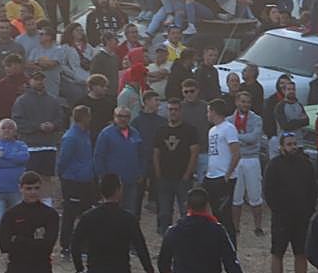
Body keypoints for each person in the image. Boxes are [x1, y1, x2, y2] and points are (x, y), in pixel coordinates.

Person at [264, 133, 317, 273]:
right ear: (281, 146)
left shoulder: (306, 164)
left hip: (302, 216)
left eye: (294, 144)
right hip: (281, 216)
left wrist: (309, 210)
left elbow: (313, 189)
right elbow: (268, 190)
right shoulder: (274, 165)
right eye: (288, 144)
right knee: (277, 252)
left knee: (301, 252)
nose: (292, 147)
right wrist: (277, 209)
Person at [0, 118, 29, 266]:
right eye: (4, 128)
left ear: (15, 131)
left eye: (10, 128)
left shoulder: (21, 145)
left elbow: (24, 158)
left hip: (16, 190)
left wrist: (4, 156)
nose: (7, 130)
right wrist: (12, 162)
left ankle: (14, 253)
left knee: (16, 223)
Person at [152, 98, 199, 235]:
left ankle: (187, 236)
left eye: (175, 109)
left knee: (186, 211)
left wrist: (187, 174)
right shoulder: (160, 130)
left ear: (181, 111)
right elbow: (156, 153)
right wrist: (158, 174)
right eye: (170, 109)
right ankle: (166, 237)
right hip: (164, 177)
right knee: (164, 212)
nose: (173, 112)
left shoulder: (190, 130)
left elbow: (194, 153)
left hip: (182, 178)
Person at [92, 106, 144, 217]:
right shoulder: (106, 134)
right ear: (114, 117)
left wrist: (140, 172)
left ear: (129, 118)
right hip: (113, 183)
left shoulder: (135, 133)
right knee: (111, 214)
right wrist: (102, 177)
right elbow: (98, 156)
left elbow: (141, 154)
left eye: (126, 116)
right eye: (120, 116)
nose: (123, 119)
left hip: (131, 180)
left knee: (130, 212)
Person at [228, 90, 265, 240]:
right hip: (236, 159)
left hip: (252, 158)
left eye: (248, 102)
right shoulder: (229, 120)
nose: (245, 104)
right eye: (243, 101)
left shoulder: (257, 119)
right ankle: (235, 226)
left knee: (255, 194)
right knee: (236, 195)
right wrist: (242, 138)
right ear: (237, 102)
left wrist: (236, 137)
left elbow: (253, 138)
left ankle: (258, 226)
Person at [202, 98, 240, 240]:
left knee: (224, 214)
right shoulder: (212, 130)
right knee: (213, 212)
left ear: (213, 111)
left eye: (208, 111)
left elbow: (236, 152)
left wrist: (228, 174)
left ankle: (230, 246)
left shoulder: (228, 128)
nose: (207, 115)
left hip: (224, 176)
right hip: (211, 175)